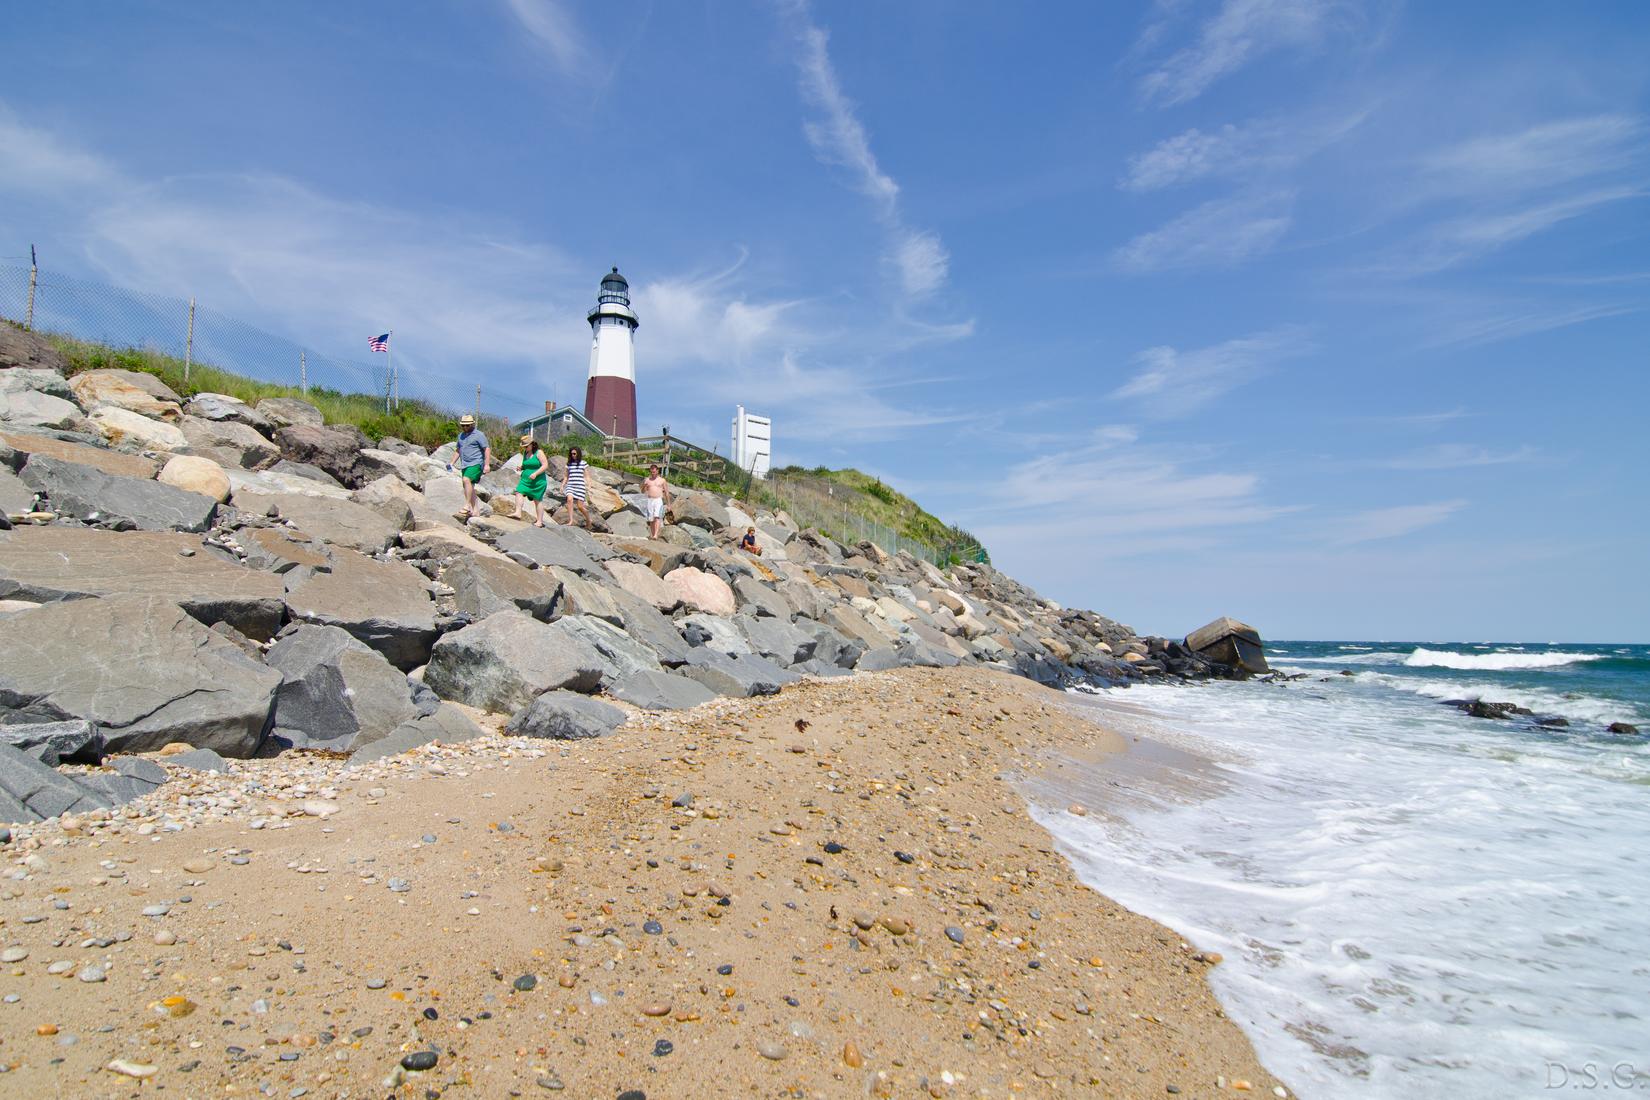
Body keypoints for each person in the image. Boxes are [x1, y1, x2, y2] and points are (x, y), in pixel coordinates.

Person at [452, 414, 491, 521]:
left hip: (476, 463)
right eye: (463, 426)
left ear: (472, 424)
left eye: (467, 425)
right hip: (464, 464)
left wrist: (487, 464)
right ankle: (476, 511)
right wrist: (451, 463)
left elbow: (486, 449)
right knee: (469, 487)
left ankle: (467, 505)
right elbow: (458, 450)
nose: (465, 427)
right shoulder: (461, 436)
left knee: (466, 480)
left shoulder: (479, 435)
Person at [516, 435, 549, 527]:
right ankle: (518, 512)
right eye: (524, 446)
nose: (525, 448)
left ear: (532, 444)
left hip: (538, 481)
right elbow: (526, 465)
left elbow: (545, 465)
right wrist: (521, 467)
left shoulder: (539, 452)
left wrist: (535, 473)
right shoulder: (525, 453)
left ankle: (539, 521)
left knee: (537, 500)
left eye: (526, 446)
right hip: (526, 480)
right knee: (519, 491)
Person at [562, 444, 592, 530]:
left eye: (574, 454)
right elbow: (566, 476)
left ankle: (589, 520)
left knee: (580, 507)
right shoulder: (569, 464)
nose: (573, 455)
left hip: (580, 487)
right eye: (571, 454)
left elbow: (587, 476)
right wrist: (562, 485)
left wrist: (589, 485)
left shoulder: (583, 463)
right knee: (569, 499)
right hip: (570, 485)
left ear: (578, 453)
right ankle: (571, 520)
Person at [641, 463, 670, 539]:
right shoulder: (647, 480)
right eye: (651, 470)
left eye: (654, 470)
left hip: (658, 500)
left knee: (657, 516)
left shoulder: (662, 480)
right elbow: (642, 491)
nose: (653, 471)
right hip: (650, 500)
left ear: (657, 470)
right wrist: (644, 486)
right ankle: (653, 534)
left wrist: (668, 505)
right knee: (651, 518)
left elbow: (666, 492)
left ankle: (655, 535)